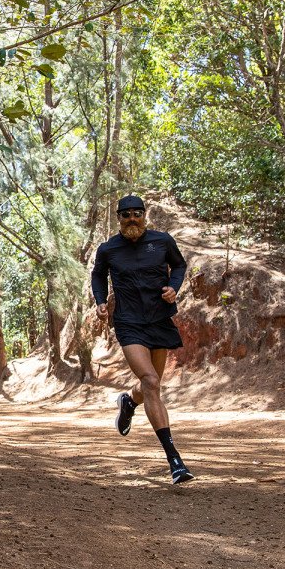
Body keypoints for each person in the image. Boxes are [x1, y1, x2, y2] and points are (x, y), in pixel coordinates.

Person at [91, 195, 193, 484]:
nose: (132, 219)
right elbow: (98, 275)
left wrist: (174, 288)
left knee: (152, 385)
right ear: (119, 218)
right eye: (126, 215)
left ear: (144, 215)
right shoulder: (109, 249)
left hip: (159, 319)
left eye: (137, 214)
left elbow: (180, 266)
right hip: (128, 322)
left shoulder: (162, 241)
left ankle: (128, 402)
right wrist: (100, 301)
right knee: (150, 380)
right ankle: (175, 461)